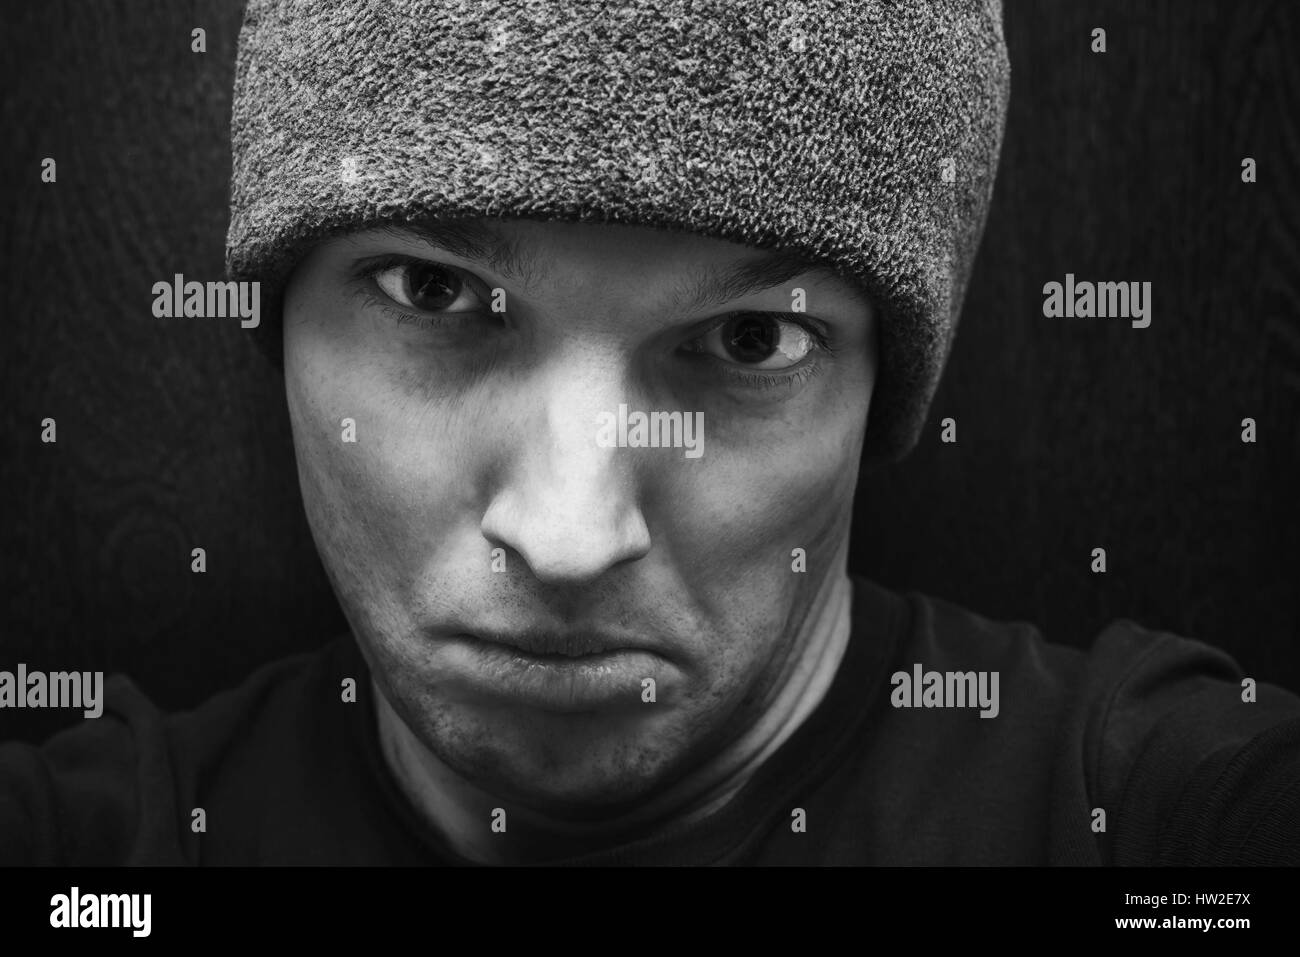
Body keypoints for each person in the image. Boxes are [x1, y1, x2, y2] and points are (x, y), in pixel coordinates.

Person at [2, 0, 1297, 866]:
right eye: (436, 293)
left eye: (744, 341)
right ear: (282, 328)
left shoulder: (1140, 815)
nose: (567, 536)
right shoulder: (100, 852)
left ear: (882, 384)